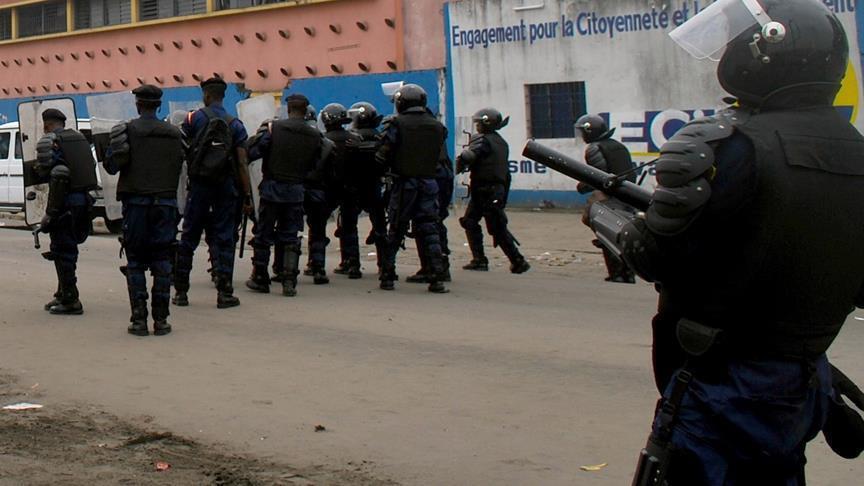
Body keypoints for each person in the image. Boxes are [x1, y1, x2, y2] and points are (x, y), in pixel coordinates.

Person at [622, 1, 864, 483]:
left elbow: (660, 256)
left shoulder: (735, 145)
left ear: (767, 52)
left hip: (723, 384)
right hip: (802, 377)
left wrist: (627, 230)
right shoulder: (855, 147)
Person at [105, 85, 184, 336]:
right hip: (165, 205)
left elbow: (111, 166)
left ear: (138, 105)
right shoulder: (175, 133)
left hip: (136, 206)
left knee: (136, 261)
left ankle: (139, 320)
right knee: (162, 261)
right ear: (158, 105)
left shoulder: (126, 131)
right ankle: (161, 321)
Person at [173, 77, 251, 309]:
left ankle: (181, 292)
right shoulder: (235, 124)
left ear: (206, 95)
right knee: (225, 238)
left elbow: (180, 152)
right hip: (225, 187)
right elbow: (242, 163)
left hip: (199, 186)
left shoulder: (192, 119)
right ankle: (224, 293)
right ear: (222, 96)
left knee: (189, 237)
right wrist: (247, 195)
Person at [246, 94, 325, 296]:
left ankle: (260, 277)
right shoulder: (314, 135)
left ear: (288, 110)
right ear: (305, 111)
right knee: (290, 236)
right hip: (296, 191)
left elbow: (254, 152)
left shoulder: (274, 128)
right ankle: (289, 280)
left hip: (272, 189)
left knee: (264, 234)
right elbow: (317, 163)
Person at [375, 84, 448, 293]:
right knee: (430, 229)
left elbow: (383, 154)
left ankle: (387, 276)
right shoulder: (437, 126)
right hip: (429, 182)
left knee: (396, 229)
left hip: (405, 183)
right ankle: (437, 277)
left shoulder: (397, 124)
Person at [36, 108, 98, 315]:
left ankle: (71, 300)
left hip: (65, 202)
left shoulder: (54, 142)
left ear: (47, 125)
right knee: (64, 249)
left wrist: (50, 212)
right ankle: (62, 292)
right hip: (83, 201)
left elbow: (55, 175)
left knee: (63, 251)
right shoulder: (79, 139)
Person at [456, 108, 530, 274]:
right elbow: (506, 174)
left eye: (478, 123)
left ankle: (517, 260)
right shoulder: (501, 142)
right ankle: (480, 260)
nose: (477, 126)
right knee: (472, 221)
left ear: (486, 123)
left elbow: (469, 156)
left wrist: (453, 168)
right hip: (494, 190)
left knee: (495, 227)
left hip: (485, 189)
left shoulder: (482, 140)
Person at [575, 113, 636, 284]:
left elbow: (598, 176)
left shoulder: (595, 148)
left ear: (590, 131)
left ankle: (617, 273)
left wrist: (582, 186)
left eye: (583, 132)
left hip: (611, 195)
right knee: (620, 232)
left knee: (602, 228)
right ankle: (627, 273)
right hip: (628, 194)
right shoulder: (617, 145)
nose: (582, 136)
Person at [319, 103, 364, 280]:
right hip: (351, 188)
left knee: (318, 226)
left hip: (328, 188)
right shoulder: (355, 139)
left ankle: (317, 265)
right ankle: (353, 263)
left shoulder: (322, 140)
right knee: (350, 226)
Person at [347, 101, 388, 276]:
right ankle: (384, 265)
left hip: (354, 187)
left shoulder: (352, 138)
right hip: (374, 187)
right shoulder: (380, 137)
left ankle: (352, 265)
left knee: (349, 226)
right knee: (380, 227)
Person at [407, 140, 454, 283]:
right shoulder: (437, 130)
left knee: (424, 224)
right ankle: (441, 266)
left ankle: (431, 268)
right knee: (435, 222)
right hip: (442, 175)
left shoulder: (413, 130)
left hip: (427, 175)